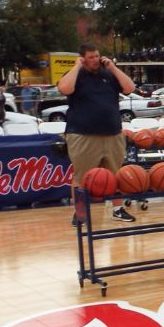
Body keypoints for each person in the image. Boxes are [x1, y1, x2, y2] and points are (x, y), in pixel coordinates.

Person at [57, 43, 137, 223]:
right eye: (91, 57)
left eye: (97, 56)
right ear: (83, 58)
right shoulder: (76, 75)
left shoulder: (109, 74)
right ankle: (80, 212)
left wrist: (113, 67)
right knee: (81, 177)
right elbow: (65, 89)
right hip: (83, 134)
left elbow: (130, 88)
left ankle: (118, 209)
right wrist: (76, 66)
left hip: (112, 133)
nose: (95, 60)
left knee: (116, 174)